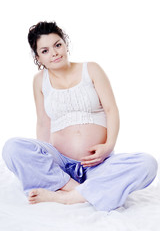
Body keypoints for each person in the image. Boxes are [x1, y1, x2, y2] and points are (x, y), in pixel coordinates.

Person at [2, 21, 158, 212]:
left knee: (147, 164)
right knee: (12, 147)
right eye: (45, 50)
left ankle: (68, 197)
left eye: (57, 45)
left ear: (65, 44)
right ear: (38, 58)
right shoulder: (39, 81)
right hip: (61, 164)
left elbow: (111, 110)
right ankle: (77, 189)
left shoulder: (91, 69)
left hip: (97, 164)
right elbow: (43, 122)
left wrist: (108, 147)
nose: (54, 53)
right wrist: (45, 164)